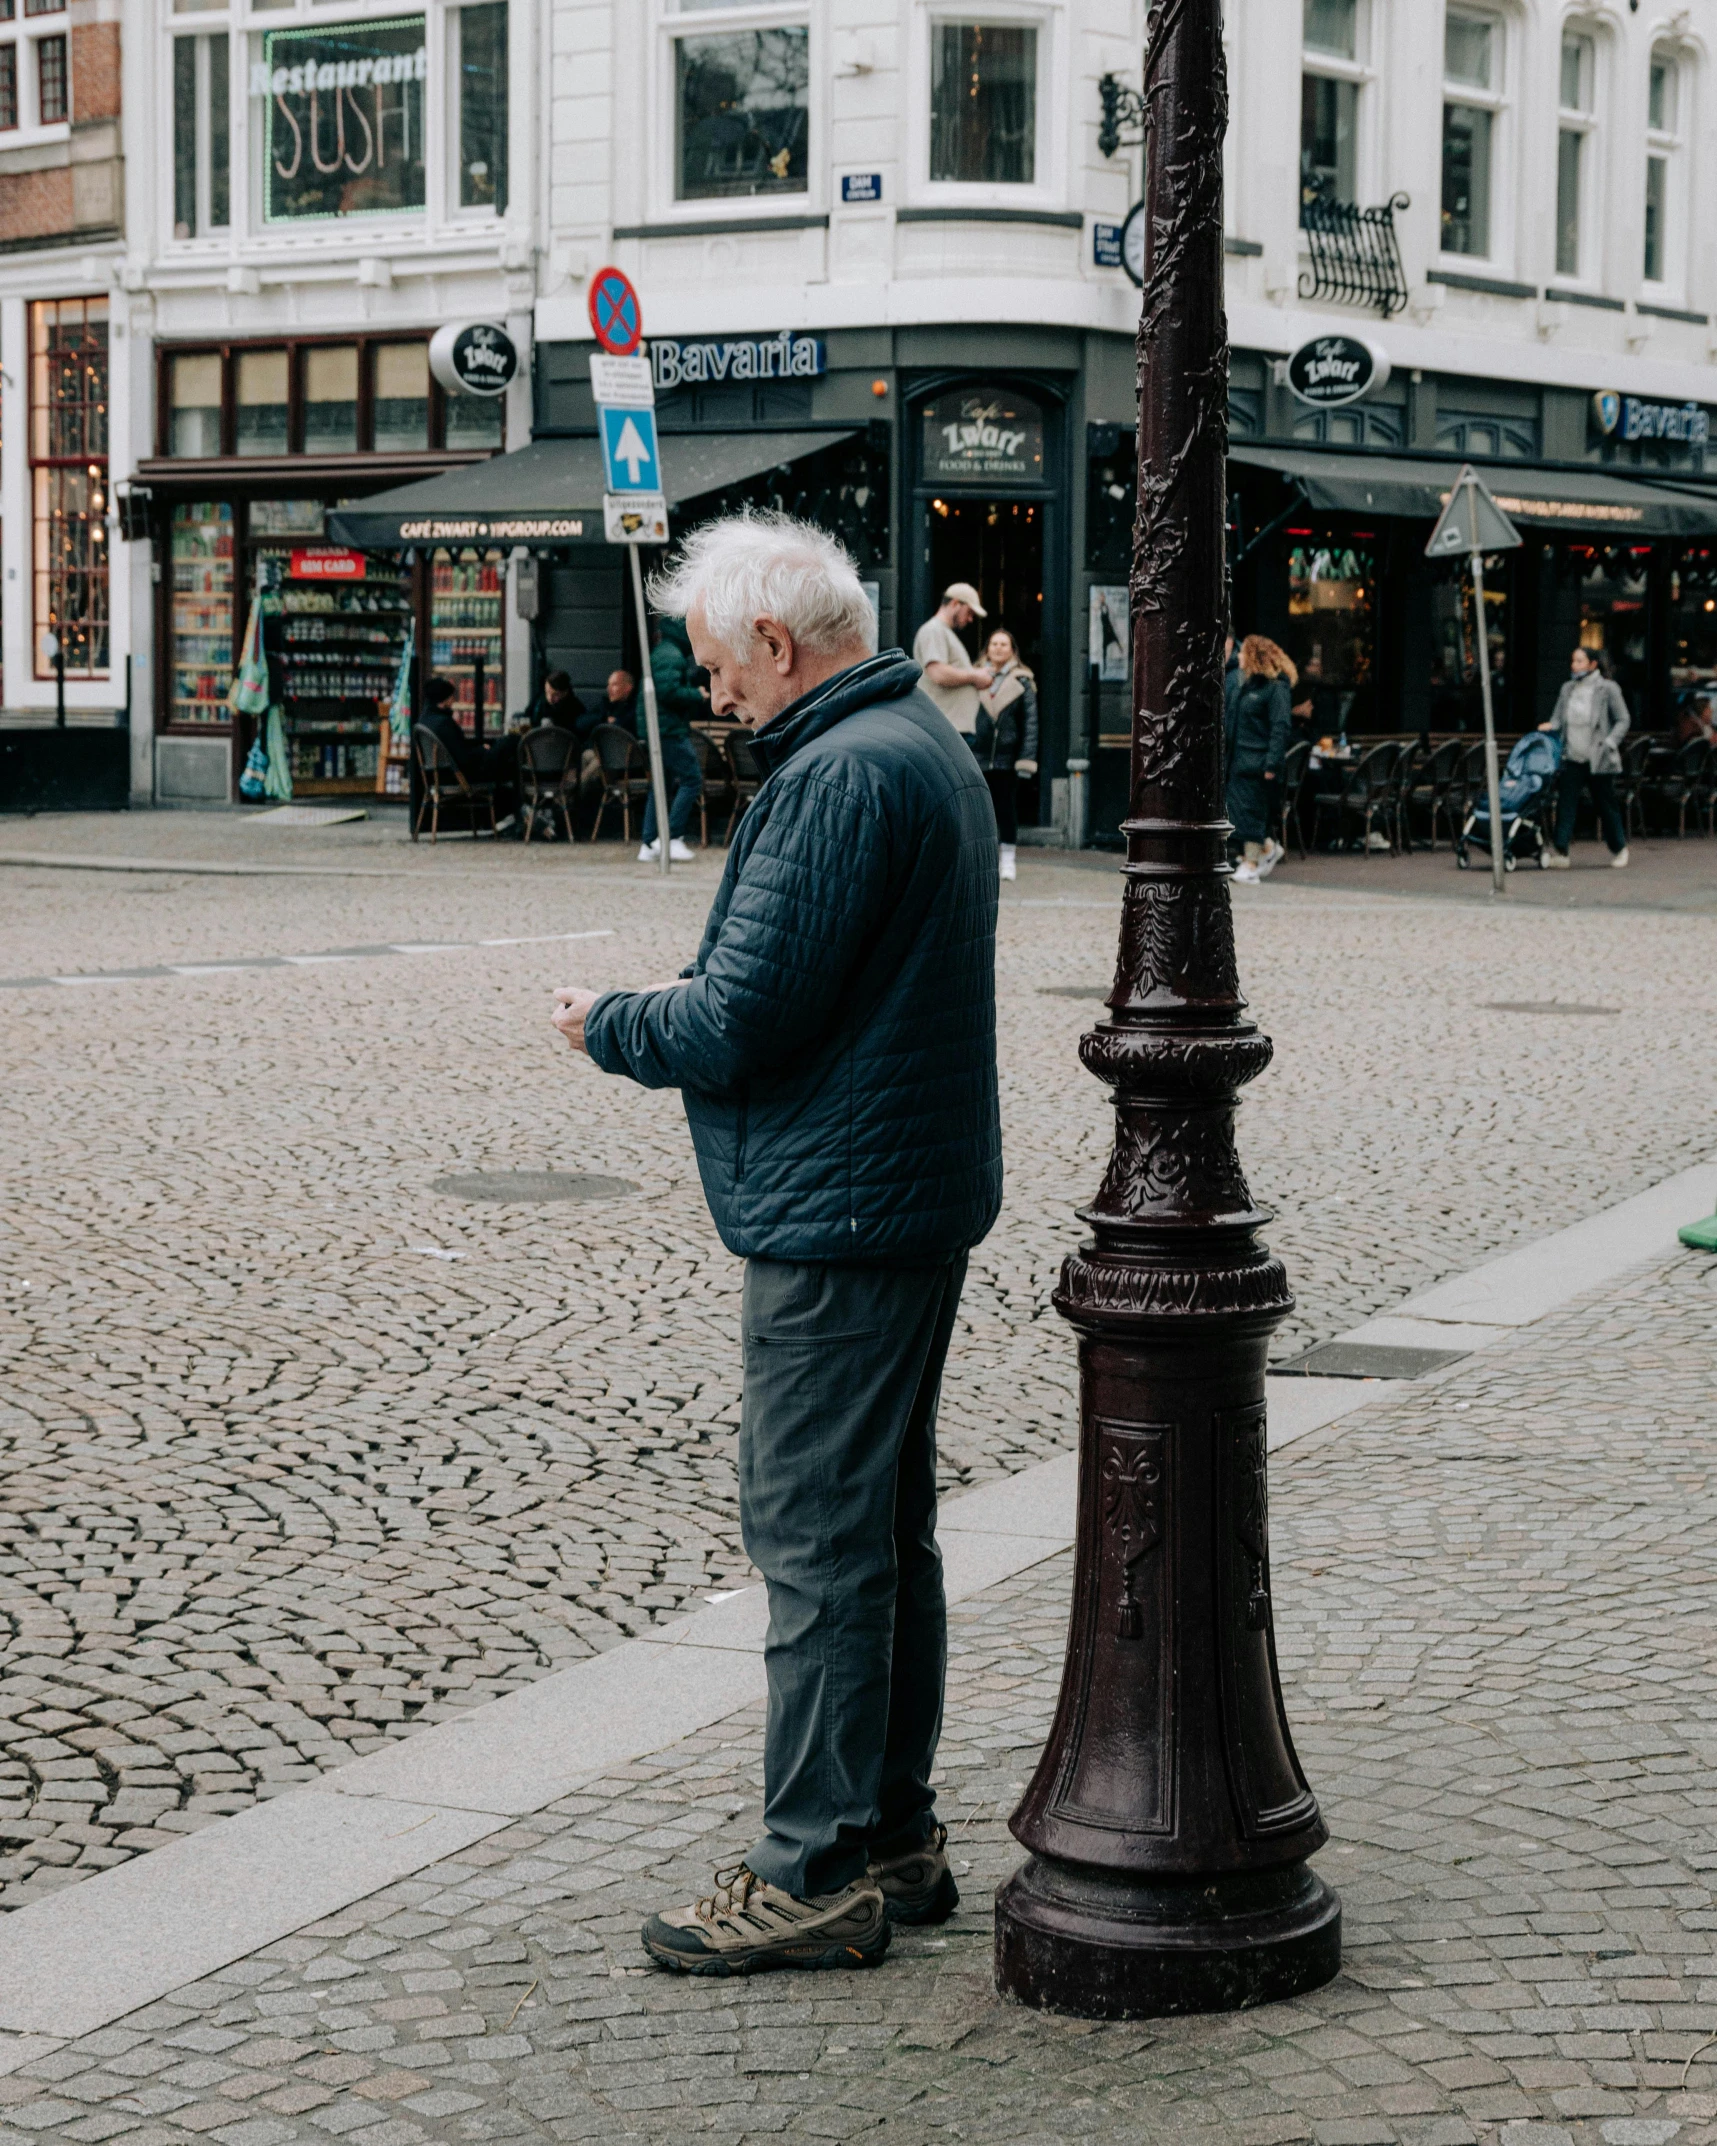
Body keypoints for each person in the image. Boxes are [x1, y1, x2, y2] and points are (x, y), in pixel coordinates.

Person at [550, 511, 1000, 1978]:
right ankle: (891, 1832)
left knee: (815, 1539)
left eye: (713, 665)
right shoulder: (924, 744)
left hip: (843, 1208)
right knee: (884, 1533)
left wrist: (609, 1020)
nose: (711, 694)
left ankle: (810, 1864)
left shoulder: (835, 775)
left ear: (773, 642)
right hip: (903, 1192)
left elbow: (741, 1017)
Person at [1539, 645, 1630, 869]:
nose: (1574, 665)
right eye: (1573, 661)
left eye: (1580, 661)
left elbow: (1623, 719)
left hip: (1597, 756)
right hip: (1572, 754)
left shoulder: (1607, 688)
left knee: (1605, 803)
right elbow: (1559, 718)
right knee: (1566, 802)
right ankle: (1561, 851)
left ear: (1592, 664)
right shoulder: (1567, 688)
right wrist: (1551, 726)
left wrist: (1610, 742)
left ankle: (1619, 848)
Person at [1224, 636, 1294, 883]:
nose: (1239, 657)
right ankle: (1266, 849)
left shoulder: (1276, 688)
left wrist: (1271, 764)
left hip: (1256, 762)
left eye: (1243, 653)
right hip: (1239, 759)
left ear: (1254, 658)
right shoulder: (1247, 686)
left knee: (1250, 812)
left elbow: (1280, 728)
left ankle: (1251, 863)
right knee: (1238, 812)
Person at [638, 620, 708, 863]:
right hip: (668, 729)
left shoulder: (664, 652)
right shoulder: (672, 656)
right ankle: (673, 836)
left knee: (660, 783)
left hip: (658, 727)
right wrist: (696, 694)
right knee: (692, 778)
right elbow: (668, 692)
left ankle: (649, 843)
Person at [971, 628, 1039, 881]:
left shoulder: (1023, 681)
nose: (998, 648)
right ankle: (981, 860)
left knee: (1006, 809)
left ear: (1012, 650)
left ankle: (1008, 860)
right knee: (978, 811)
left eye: (1004, 644)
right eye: (994, 643)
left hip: (1006, 758)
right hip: (976, 755)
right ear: (987, 648)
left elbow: (1031, 724)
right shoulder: (973, 676)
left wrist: (1026, 759)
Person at [416, 677, 518, 822]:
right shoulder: (444, 723)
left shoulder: (424, 720)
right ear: (444, 700)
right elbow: (463, 757)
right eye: (451, 697)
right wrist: (482, 750)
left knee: (503, 748)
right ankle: (519, 813)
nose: (453, 700)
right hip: (461, 776)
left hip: (439, 776)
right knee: (510, 743)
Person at [912, 582, 994, 742]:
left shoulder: (942, 632)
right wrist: (975, 676)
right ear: (955, 603)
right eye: (969, 612)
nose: (970, 619)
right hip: (946, 729)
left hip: (951, 728)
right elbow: (938, 673)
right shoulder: (933, 630)